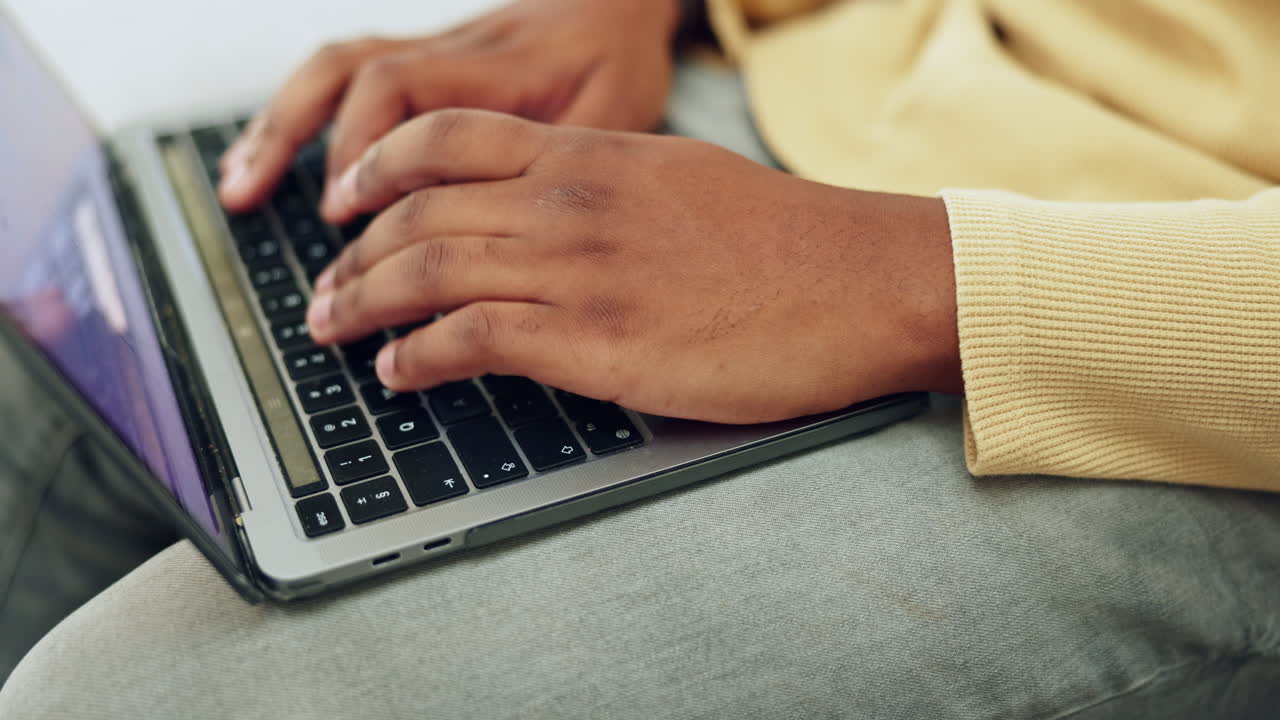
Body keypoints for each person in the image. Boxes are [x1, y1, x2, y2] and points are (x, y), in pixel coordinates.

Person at [2, 0, 1279, 716]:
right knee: (71, 345)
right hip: (818, 82)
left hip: (1169, 348)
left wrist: (892, 279)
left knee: (135, 703)